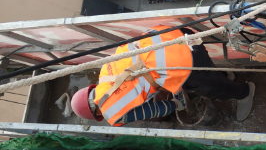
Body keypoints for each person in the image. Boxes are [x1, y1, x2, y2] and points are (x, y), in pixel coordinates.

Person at [71, 26, 255, 126]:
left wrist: (177, 103)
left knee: (205, 85)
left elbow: (158, 110)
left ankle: (245, 92)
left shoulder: (113, 114)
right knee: (205, 69)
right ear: (91, 91)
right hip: (174, 34)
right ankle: (224, 77)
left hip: (185, 61)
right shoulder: (105, 70)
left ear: (96, 113)